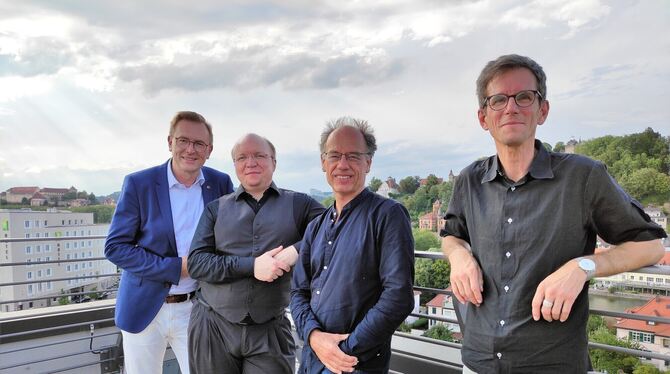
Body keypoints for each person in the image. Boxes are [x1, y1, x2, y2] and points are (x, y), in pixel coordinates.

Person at [440, 54, 667, 373]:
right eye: (498, 100)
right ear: (483, 117)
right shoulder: (468, 180)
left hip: (553, 364)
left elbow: (651, 245)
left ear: (542, 110)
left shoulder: (583, 177)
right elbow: (451, 236)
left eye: (524, 97)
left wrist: (582, 266)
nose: (511, 107)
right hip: (478, 362)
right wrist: (459, 256)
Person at [105, 111, 234, 374]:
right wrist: (176, 268)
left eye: (199, 143)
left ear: (209, 150)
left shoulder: (220, 183)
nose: (190, 149)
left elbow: (234, 237)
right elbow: (116, 247)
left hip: (198, 308)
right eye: (183, 140)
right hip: (144, 308)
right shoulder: (139, 183)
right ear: (169, 142)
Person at [187, 133, 325, 374]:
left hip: (270, 329)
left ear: (274, 161)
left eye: (259, 155)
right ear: (236, 166)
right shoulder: (216, 209)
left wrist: (296, 251)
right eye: (242, 157)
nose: (251, 162)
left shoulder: (300, 204)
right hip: (213, 325)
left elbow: (335, 230)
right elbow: (197, 263)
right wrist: (252, 266)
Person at [291, 118, 415, 373]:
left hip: (356, 364)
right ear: (324, 163)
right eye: (334, 155)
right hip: (311, 361)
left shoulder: (388, 215)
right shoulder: (316, 227)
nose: (343, 165)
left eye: (354, 156)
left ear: (368, 162)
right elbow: (298, 293)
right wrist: (315, 338)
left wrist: (343, 350)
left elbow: (398, 297)